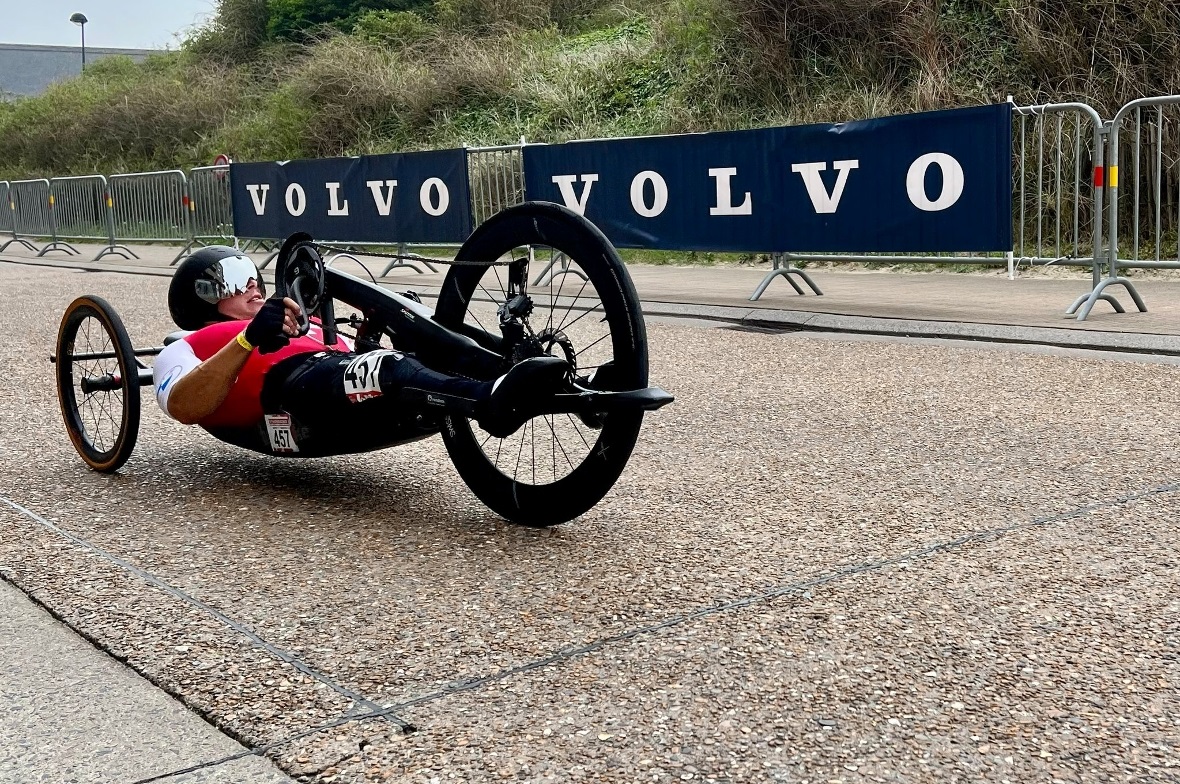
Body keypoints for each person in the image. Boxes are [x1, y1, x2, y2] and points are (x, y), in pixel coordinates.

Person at [152, 245, 568, 456]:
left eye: (250, 274)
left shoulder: (295, 318)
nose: (252, 286)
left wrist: (387, 325)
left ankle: (566, 386)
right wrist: (246, 338)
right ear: (203, 296)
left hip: (333, 377)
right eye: (232, 281)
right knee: (386, 368)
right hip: (289, 392)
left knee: (433, 344)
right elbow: (184, 405)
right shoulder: (185, 347)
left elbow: (349, 358)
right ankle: (489, 403)